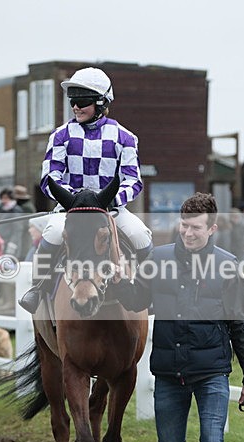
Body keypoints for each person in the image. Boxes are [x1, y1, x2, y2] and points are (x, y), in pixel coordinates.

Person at [111, 192, 244, 442]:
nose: (188, 233)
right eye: (184, 225)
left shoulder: (227, 265)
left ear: (212, 229)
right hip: (169, 372)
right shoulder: (157, 259)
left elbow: (240, 324)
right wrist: (120, 282)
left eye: (195, 227)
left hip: (211, 373)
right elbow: (138, 300)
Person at [18, 66, 153, 313]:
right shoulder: (60, 136)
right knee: (52, 234)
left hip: (109, 209)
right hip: (71, 209)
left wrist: (113, 199)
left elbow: (133, 180)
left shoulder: (125, 137)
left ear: (101, 103)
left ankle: (149, 292)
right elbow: (50, 177)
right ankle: (37, 290)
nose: (76, 107)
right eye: (73, 101)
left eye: (82, 101)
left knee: (140, 235)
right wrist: (75, 199)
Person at [0, 188, 25, 259]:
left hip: (11, 244)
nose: (4, 200)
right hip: (1, 242)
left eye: (6, 198)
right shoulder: (1, 209)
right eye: (2, 198)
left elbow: (18, 229)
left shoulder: (15, 210)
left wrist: (13, 243)